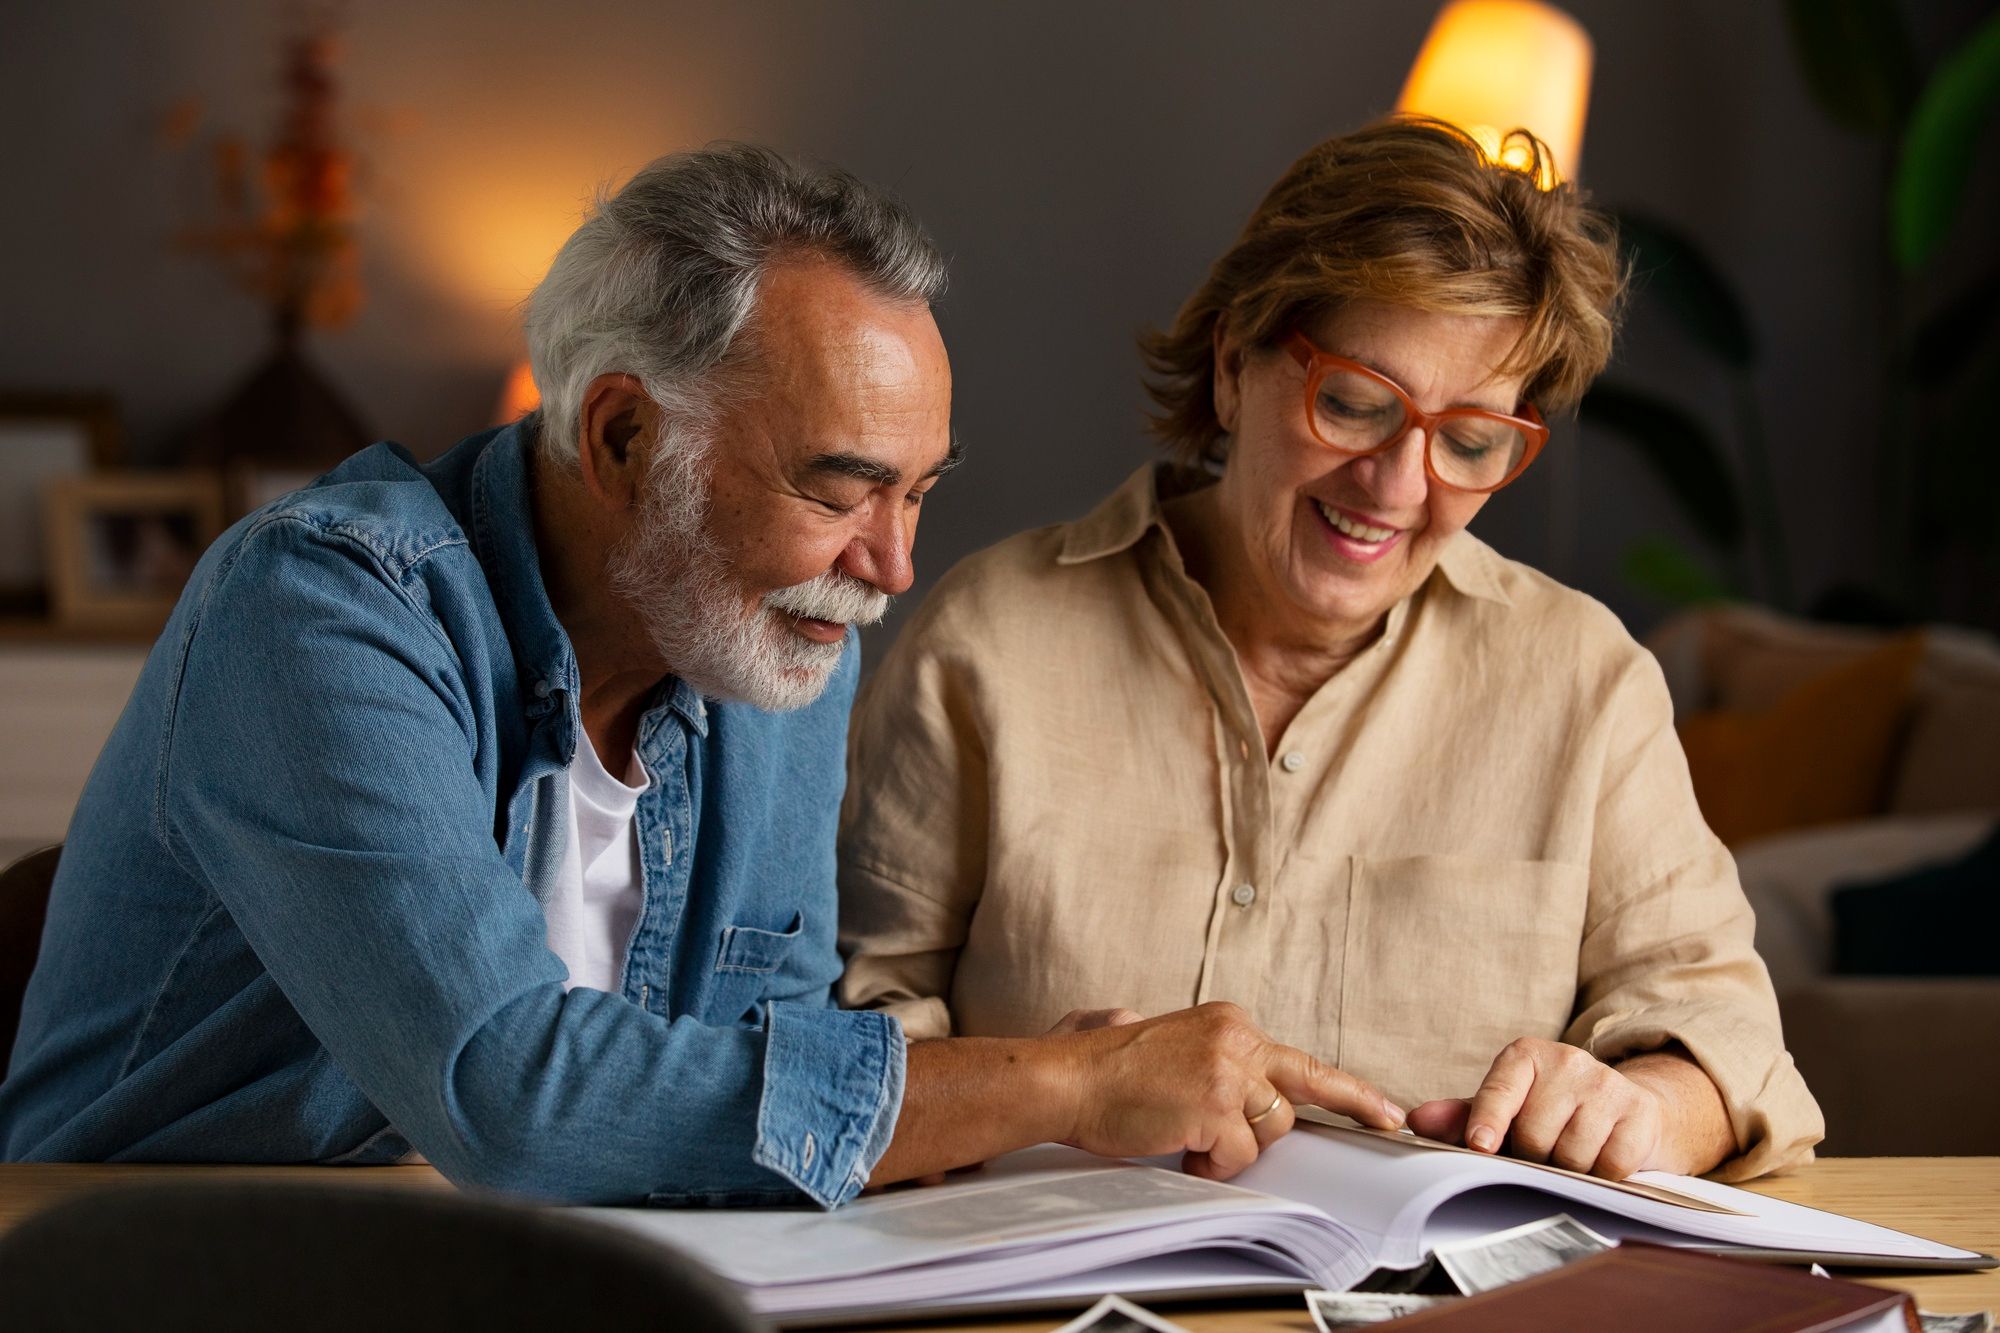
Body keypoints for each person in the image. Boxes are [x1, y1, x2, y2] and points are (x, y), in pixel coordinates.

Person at [0, 145, 1402, 1203]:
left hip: (521, 1269)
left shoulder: (773, 644)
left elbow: (759, 1065)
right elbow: (514, 1094)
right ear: (620, 438)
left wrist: (1024, 1093)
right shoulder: (323, 608)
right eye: (841, 488)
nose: (891, 567)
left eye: (920, 494)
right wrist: (1052, 1082)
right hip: (154, 1261)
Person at [838, 118, 1824, 1183]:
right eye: (1353, 403)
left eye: (1469, 440)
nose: (1396, 485)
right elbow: (825, 1031)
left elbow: (1721, 1037)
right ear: (1230, 365)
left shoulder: (1582, 681)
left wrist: (1642, 1108)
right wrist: (1042, 1083)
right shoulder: (988, 642)